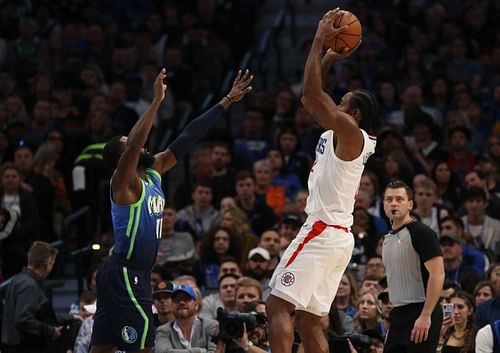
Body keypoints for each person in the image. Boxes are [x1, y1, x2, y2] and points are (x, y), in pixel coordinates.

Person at [90, 68, 253, 353]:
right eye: (132, 146)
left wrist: (226, 100)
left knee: (102, 347)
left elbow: (189, 135)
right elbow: (135, 144)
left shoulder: (154, 172)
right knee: (142, 346)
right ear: (122, 157)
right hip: (127, 273)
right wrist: (155, 103)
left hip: (129, 271)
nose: (144, 146)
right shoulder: (123, 183)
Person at [266, 9, 378, 353]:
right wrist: (328, 56)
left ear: (354, 114)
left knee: (276, 306)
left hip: (321, 230)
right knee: (310, 319)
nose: (336, 102)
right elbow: (307, 96)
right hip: (336, 236)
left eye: (342, 103)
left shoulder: (350, 133)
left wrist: (318, 40)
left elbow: (315, 96)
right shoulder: (339, 132)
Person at [382, 180, 445, 353]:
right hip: (398, 315)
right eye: (389, 199)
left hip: (421, 311)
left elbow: (438, 275)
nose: (393, 203)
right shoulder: (387, 238)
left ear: (410, 204)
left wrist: (425, 316)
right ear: (383, 205)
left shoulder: (422, 233)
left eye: (399, 199)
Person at [1, 241, 61, 353]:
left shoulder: (17, 280)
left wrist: (71, 317)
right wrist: (50, 331)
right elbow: (23, 319)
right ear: (47, 265)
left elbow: (37, 315)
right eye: (52, 263)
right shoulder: (29, 285)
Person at [154, 284, 218, 353]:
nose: (181, 303)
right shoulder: (163, 330)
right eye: (177, 300)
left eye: (186, 299)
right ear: (172, 306)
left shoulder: (211, 326)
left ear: (196, 305)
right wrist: (199, 351)